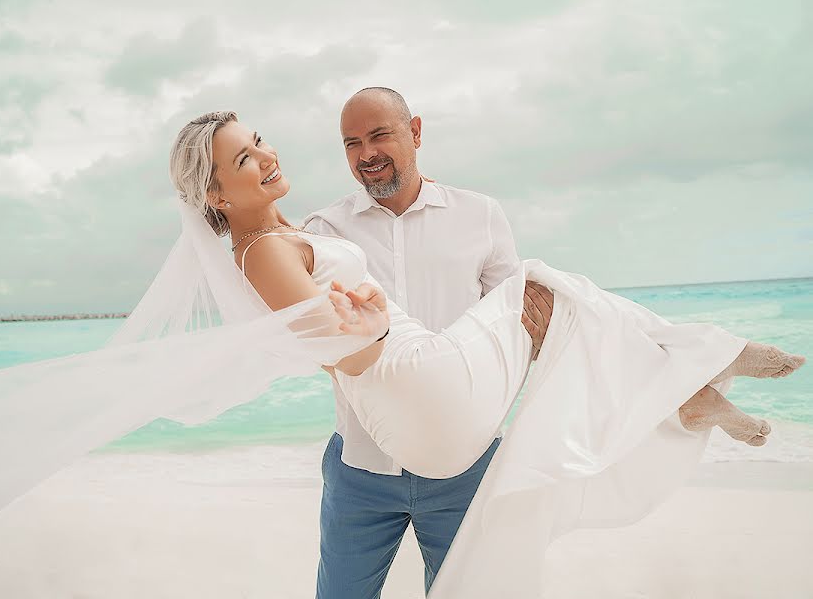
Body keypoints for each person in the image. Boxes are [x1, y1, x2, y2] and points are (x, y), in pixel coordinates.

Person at [171, 108, 804, 597]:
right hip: (381, 437)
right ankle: (695, 370)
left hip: (449, 435)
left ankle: (690, 383)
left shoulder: (304, 234)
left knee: (553, 307)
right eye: (244, 158)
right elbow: (339, 352)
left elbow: (326, 336)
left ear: (414, 133)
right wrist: (367, 330)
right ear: (218, 197)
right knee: (543, 288)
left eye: (259, 141)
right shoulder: (295, 238)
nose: (266, 155)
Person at [301, 87, 553, 598]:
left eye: (379, 135)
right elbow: (315, 338)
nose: (366, 154)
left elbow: (516, 325)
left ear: (415, 132)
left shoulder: (480, 214)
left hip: (467, 466)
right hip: (361, 467)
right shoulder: (324, 231)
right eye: (352, 143)